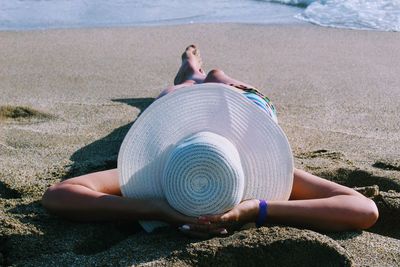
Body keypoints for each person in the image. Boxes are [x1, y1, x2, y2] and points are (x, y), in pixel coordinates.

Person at [41, 45, 379, 238]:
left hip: (230, 111)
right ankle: (194, 74)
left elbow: (59, 196)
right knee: (199, 84)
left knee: (198, 84)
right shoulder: (177, 166)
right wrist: (257, 208)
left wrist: (154, 206)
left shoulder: (155, 169)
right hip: (234, 109)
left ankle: (194, 73)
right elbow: (362, 210)